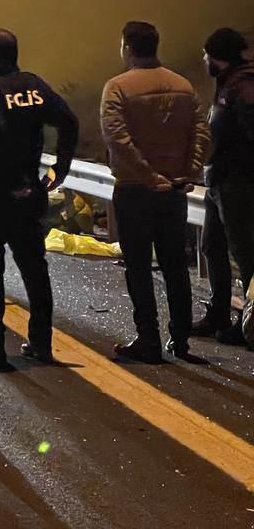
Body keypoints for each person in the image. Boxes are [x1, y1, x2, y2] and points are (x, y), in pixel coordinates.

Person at [0, 28, 77, 371]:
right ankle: (41, 342)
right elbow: (68, 121)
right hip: (29, 194)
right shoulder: (35, 85)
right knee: (34, 269)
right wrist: (58, 171)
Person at [100, 21, 209, 363]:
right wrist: (188, 172)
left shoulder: (117, 87)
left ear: (128, 47)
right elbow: (200, 131)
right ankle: (181, 339)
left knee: (138, 267)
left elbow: (117, 139)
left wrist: (148, 176)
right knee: (176, 266)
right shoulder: (182, 85)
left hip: (135, 190)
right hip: (174, 190)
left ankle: (148, 338)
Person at [197, 27, 254, 345]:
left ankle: (249, 324)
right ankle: (218, 312)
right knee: (212, 246)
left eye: (206, 54)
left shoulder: (243, 85)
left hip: (238, 185)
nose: (203, 59)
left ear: (217, 56)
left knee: (245, 255)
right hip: (220, 183)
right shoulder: (228, 83)